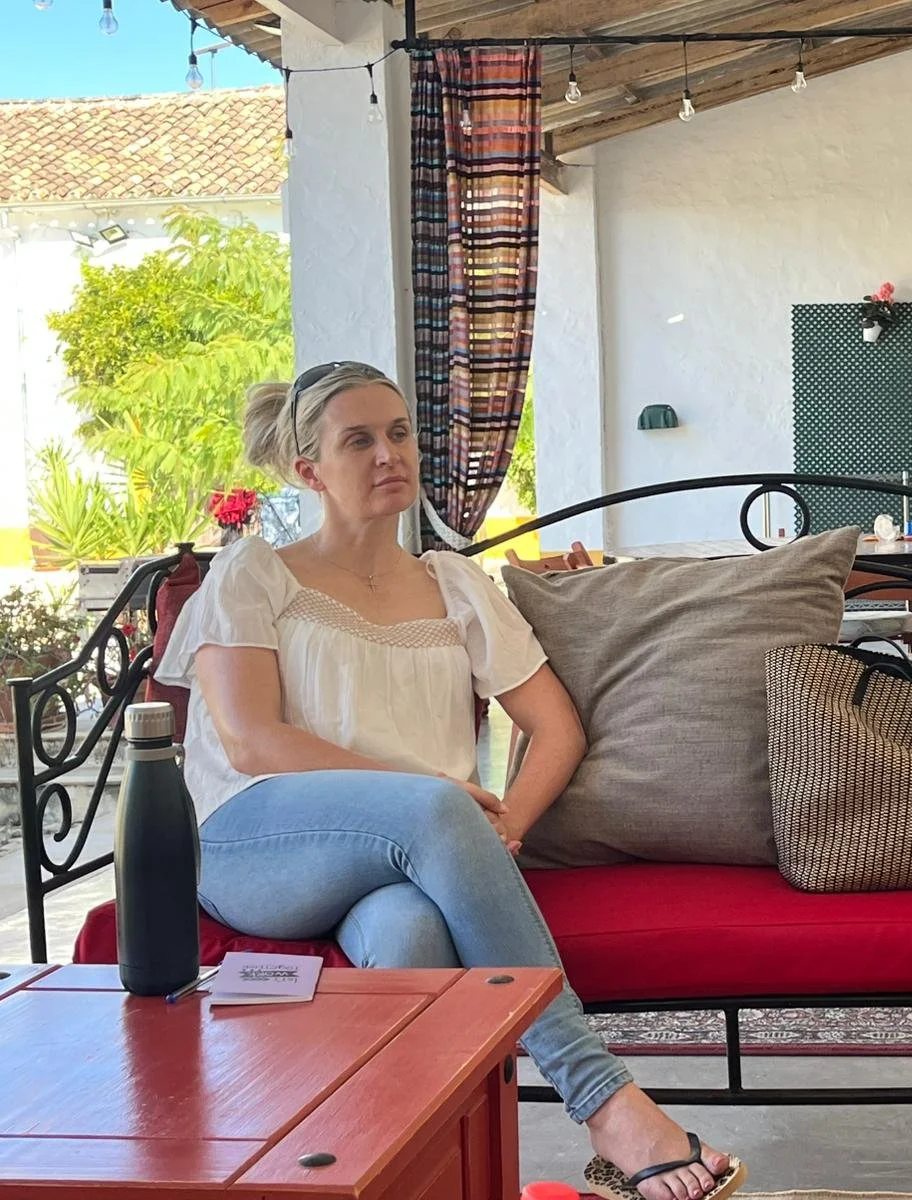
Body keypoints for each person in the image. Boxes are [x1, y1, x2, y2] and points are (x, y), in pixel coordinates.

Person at [154, 361, 744, 1200]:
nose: (389, 452)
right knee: (429, 806)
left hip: (411, 854)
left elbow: (556, 728)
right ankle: (606, 1101)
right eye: (358, 439)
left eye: (399, 433)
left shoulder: (455, 584)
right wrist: (428, 804)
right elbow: (253, 742)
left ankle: (414, 1177)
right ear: (307, 469)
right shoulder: (255, 574)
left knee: (409, 936)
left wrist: (501, 830)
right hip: (258, 843)